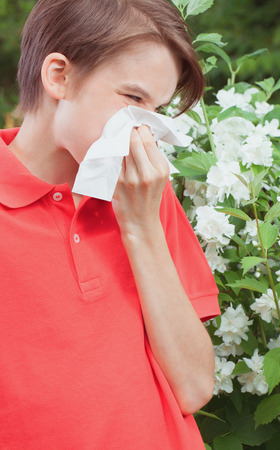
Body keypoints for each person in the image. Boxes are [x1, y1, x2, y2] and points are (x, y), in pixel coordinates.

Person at [0, 0, 220, 448]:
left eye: (155, 109)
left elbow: (195, 386)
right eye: (133, 99)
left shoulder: (146, 195)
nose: (144, 129)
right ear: (59, 76)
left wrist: (140, 228)